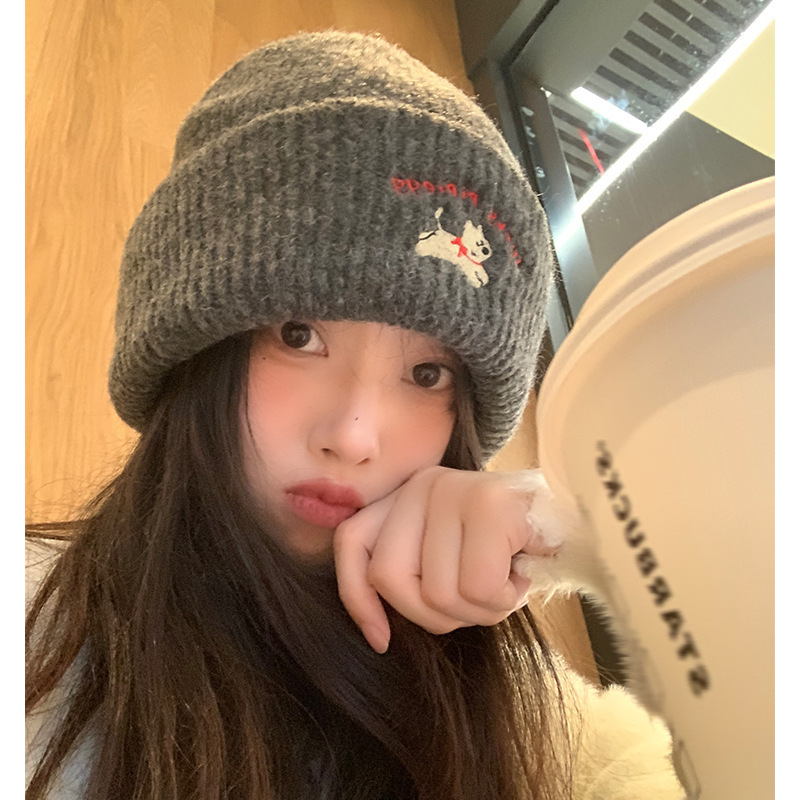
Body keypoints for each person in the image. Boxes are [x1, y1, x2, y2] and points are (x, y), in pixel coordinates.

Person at [25, 30, 684, 800]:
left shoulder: (534, 723)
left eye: (427, 374)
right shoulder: (33, 634)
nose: (353, 437)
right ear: (193, 347)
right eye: (298, 335)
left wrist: (578, 535)